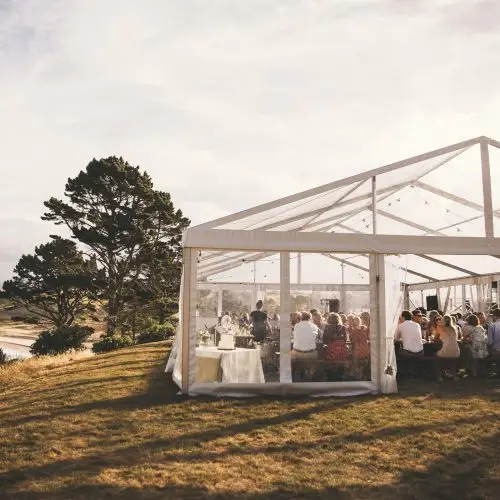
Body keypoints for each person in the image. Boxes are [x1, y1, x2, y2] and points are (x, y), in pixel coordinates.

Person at [435, 314, 460, 382]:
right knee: (452, 360)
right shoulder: (454, 328)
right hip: (456, 352)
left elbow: (435, 338)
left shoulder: (440, 327)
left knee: (436, 357)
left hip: (446, 351)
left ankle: (439, 376)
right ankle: (454, 376)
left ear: (443, 320)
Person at [349, 315, 370, 379]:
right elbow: (368, 337)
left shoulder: (355, 330)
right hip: (365, 347)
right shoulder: (365, 328)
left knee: (356, 360)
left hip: (358, 348)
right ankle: (361, 373)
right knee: (363, 361)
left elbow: (353, 340)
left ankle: (355, 373)